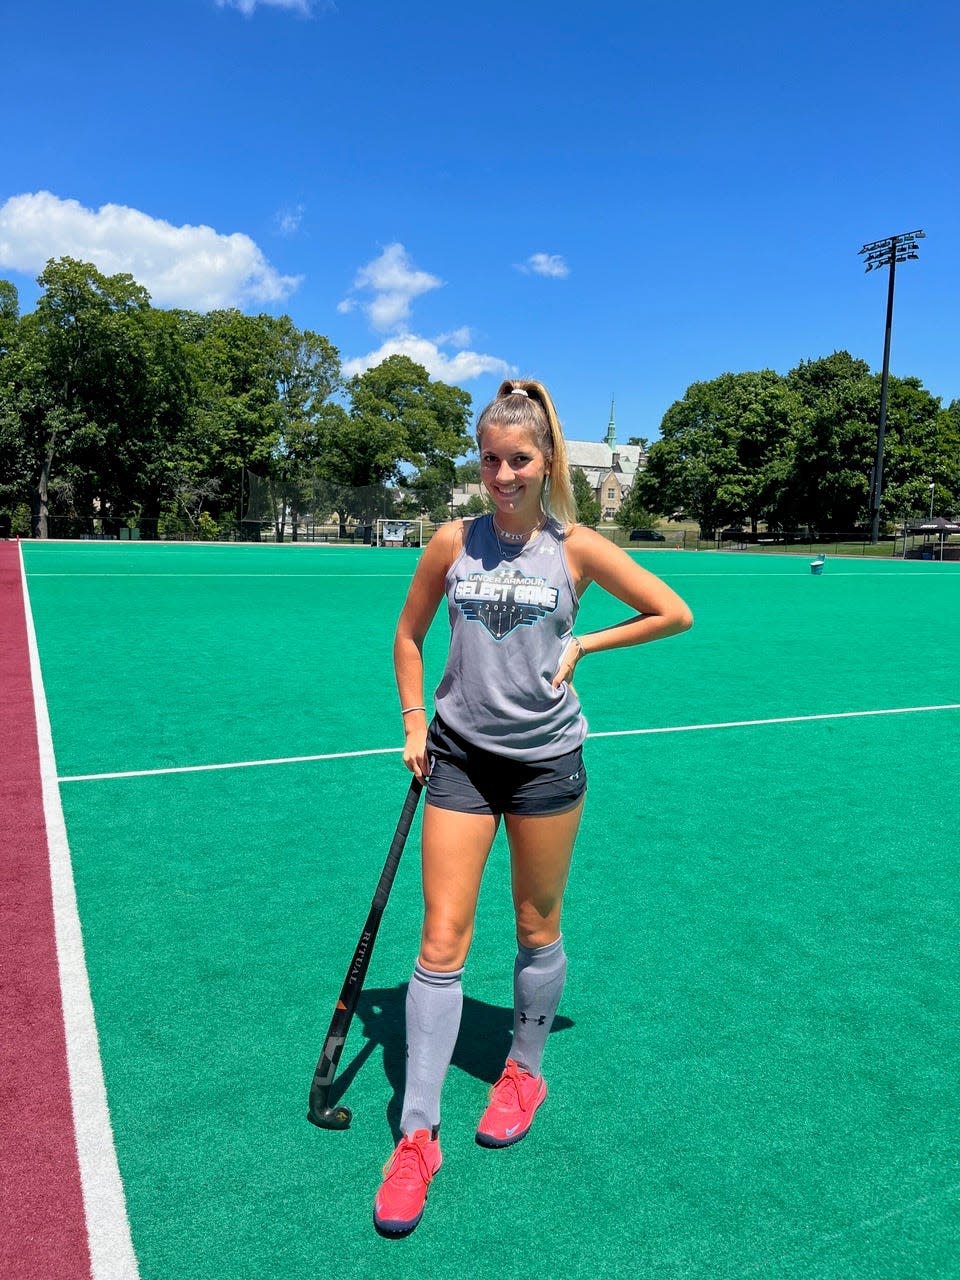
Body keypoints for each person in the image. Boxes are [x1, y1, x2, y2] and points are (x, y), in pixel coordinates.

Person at [373, 379, 693, 1235]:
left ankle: (524, 1068)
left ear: (546, 460)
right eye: (490, 459)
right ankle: (416, 1135)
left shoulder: (576, 547)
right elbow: (407, 636)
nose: (504, 474)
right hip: (461, 760)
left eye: (519, 459)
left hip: (549, 765)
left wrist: (588, 638)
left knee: (535, 926)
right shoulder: (452, 541)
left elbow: (674, 611)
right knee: (442, 936)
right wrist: (413, 719)